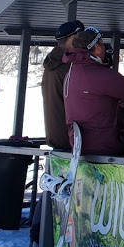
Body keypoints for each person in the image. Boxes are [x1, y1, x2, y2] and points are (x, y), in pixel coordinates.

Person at [63, 27, 124, 156]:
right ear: (97, 47)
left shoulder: (72, 73)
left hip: (81, 148)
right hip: (107, 147)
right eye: (102, 43)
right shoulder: (101, 75)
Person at [42, 20, 83, 151]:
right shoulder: (68, 67)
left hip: (59, 138)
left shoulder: (53, 64)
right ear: (73, 38)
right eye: (81, 36)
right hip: (70, 141)